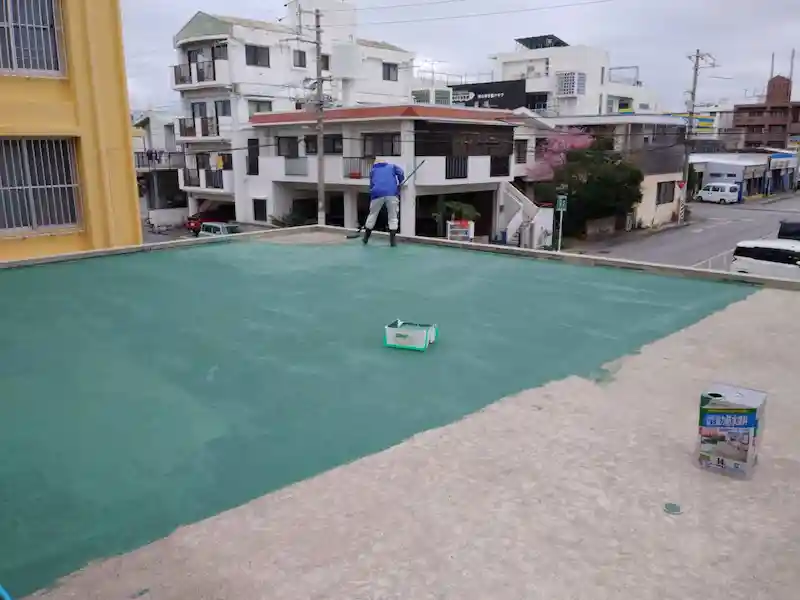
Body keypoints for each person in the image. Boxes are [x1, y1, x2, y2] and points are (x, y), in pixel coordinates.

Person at [363, 159, 404, 246]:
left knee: (372, 214)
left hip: (377, 194)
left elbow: (371, 185)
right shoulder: (392, 167)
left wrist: (373, 193)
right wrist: (400, 182)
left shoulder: (373, 170)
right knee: (393, 216)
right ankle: (392, 241)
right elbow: (401, 172)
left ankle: (366, 238)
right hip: (392, 193)